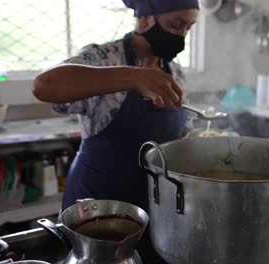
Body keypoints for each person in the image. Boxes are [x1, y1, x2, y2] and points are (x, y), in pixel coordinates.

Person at [33, 2, 198, 260]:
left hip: (152, 214)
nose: (181, 36)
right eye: (176, 24)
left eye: (188, 28)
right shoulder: (103, 58)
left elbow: (181, 137)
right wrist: (134, 77)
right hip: (97, 216)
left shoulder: (174, 72)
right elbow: (44, 85)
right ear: (145, 19)